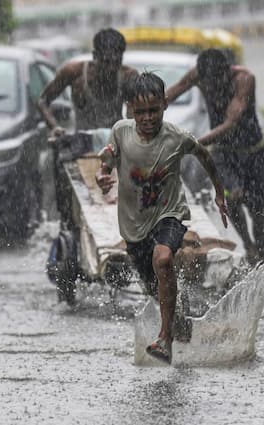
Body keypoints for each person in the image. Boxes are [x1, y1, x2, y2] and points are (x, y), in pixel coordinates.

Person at [96, 72, 229, 364]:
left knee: (164, 259)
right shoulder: (121, 132)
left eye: (153, 110)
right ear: (130, 108)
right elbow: (105, 161)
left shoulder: (176, 138)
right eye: (140, 111)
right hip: (134, 226)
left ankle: (165, 338)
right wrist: (103, 176)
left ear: (165, 105)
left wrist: (219, 193)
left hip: (171, 214)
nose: (146, 118)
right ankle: (178, 324)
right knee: (155, 287)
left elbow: (204, 156)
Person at [165, 49, 264, 265]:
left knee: (256, 210)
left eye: (216, 82)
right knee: (230, 199)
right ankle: (248, 245)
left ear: (226, 72)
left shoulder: (244, 80)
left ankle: (260, 257)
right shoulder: (199, 74)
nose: (212, 88)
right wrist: (147, 110)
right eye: (207, 83)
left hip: (253, 153)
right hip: (223, 154)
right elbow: (173, 92)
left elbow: (230, 123)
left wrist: (194, 143)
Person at [37, 28, 139, 134]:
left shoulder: (128, 76)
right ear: (95, 56)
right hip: (82, 144)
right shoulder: (75, 72)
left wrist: (132, 127)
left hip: (115, 142)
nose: (112, 68)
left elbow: (134, 113)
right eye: (106, 62)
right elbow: (42, 101)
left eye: (117, 61)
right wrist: (54, 127)